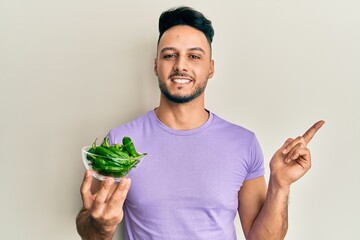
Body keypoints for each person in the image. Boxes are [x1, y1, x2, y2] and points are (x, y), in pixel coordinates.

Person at [76, 6, 324, 240]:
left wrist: (280, 186)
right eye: (169, 55)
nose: (181, 65)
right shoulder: (120, 143)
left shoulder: (243, 143)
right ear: (155, 65)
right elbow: (91, 229)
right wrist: (101, 226)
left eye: (194, 56)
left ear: (210, 68)